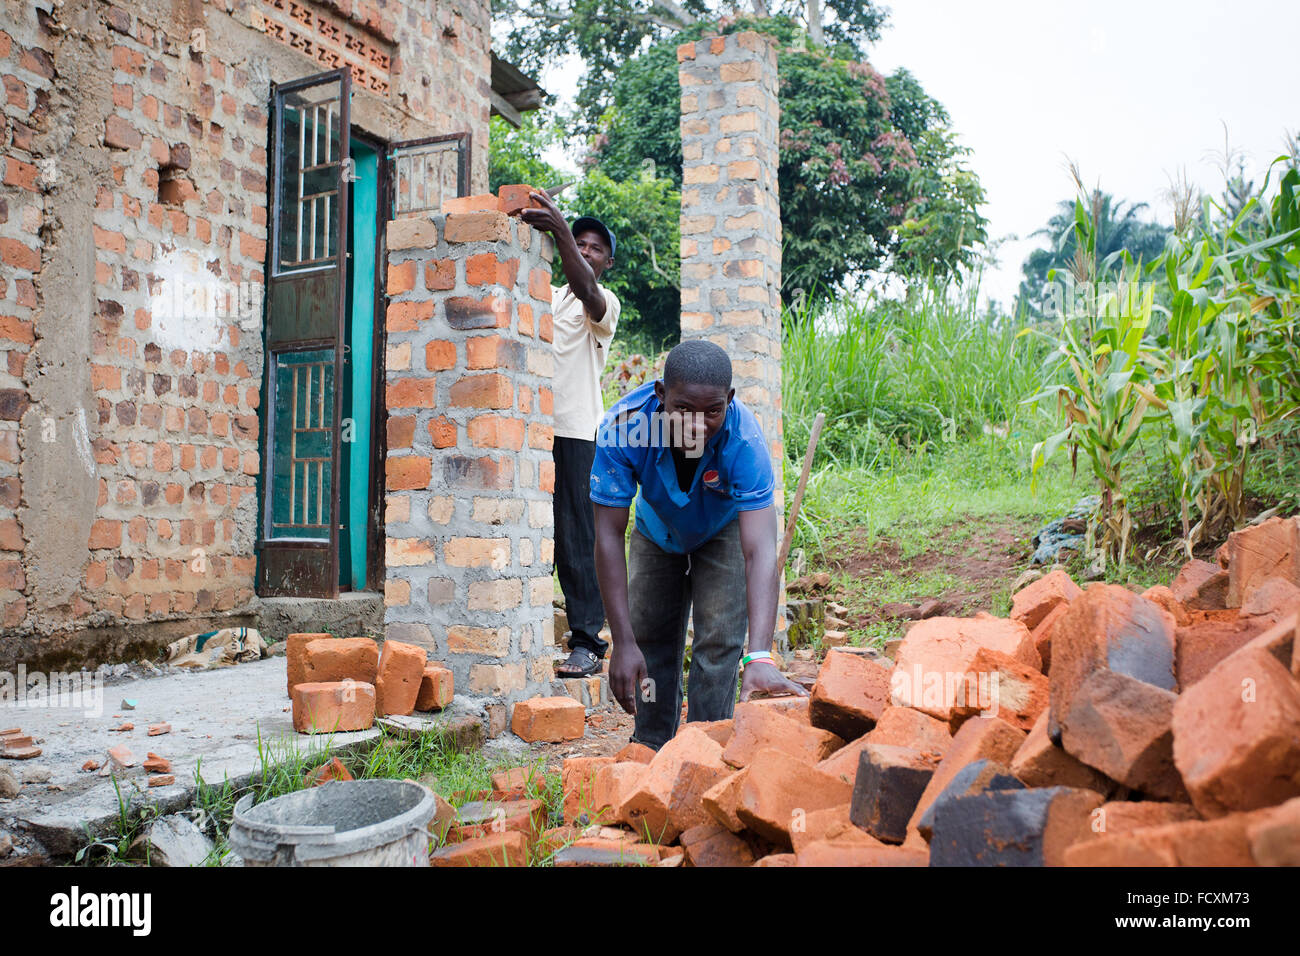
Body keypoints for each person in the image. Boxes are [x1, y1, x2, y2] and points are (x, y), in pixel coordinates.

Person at [589, 339, 806, 749]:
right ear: (660, 396)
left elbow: (759, 550)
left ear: (730, 400)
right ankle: (651, 742)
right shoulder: (626, 429)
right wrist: (622, 640)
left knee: (720, 643)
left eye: (712, 411)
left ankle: (706, 744)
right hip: (657, 531)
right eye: (683, 408)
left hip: (721, 531)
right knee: (649, 644)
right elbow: (607, 535)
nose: (696, 424)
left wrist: (759, 654)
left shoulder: (744, 441)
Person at [519, 193, 620, 678]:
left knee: (577, 538)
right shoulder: (548, 295)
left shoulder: (600, 302)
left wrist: (559, 229)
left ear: (607, 262)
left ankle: (587, 643)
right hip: (531, 431)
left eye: (594, 248)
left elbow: (586, 285)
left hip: (579, 434)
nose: (584, 251)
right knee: (538, 534)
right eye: (578, 242)